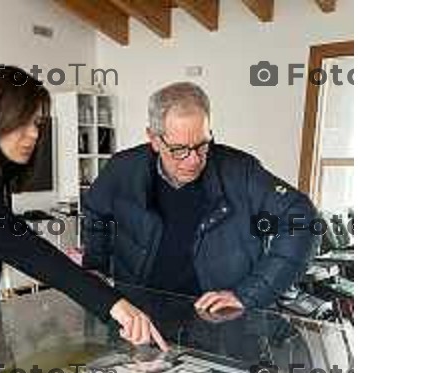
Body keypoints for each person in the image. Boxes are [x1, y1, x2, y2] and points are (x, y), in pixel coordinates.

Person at [0, 66, 167, 351]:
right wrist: (113, 304)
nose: (33, 134)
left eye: (37, 123)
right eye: (22, 122)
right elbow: (26, 249)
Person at [82, 82, 317, 315]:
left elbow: (302, 219)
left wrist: (251, 293)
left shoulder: (241, 171)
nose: (194, 160)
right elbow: (96, 211)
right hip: (139, 316)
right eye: (179, 150)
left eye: (203, 145)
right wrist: (96, 267)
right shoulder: (122, 169)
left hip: (219, 322)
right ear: (153, 139)